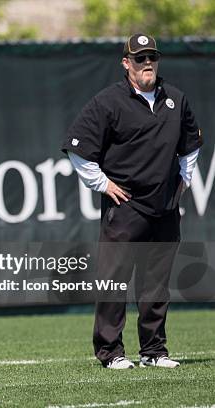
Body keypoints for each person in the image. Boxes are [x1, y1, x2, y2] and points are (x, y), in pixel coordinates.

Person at [62, 33, 202, 369]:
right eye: (140, 58)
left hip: (165, 207)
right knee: (114, 281)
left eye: (152, 57)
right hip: (126, 208)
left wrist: (185, 180)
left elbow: (192, 143)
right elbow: (77, 148)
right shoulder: (108, 102)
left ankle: (154, 352)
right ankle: (111, 352)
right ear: (126, 64)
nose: (147, 63)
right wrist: (103, 184)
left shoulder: (175, 100)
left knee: (156, 285)